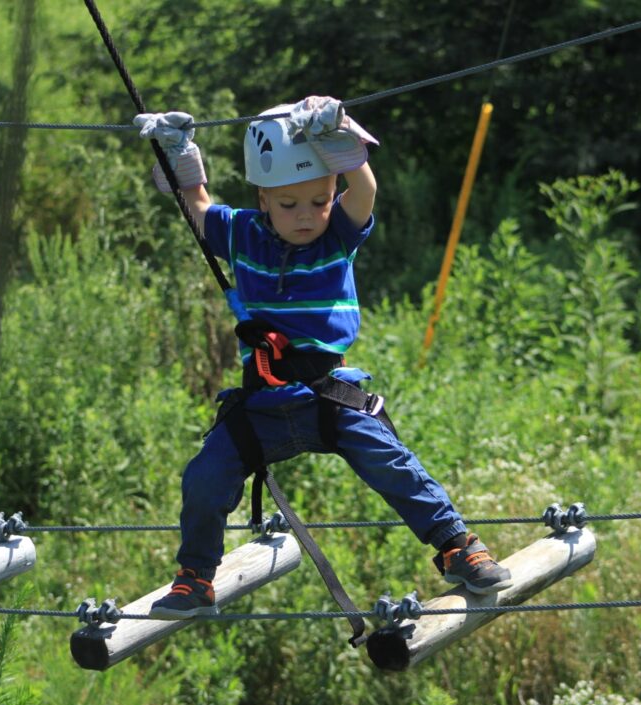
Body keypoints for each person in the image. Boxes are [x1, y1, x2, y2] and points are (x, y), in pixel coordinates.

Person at [134, 96, 511, 619]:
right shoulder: (241, 234)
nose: (306, 215)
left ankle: (457, 546)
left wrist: (339, 139)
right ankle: (195, 576)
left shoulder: (338, 236)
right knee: (204, 477)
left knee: (391, 462)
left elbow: (366, 190)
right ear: (263, 198)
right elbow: (195, 207)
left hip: (325, 397)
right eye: (288, 205)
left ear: (333, 190)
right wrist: (179, 152)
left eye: (319, 199)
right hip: (261, 405)